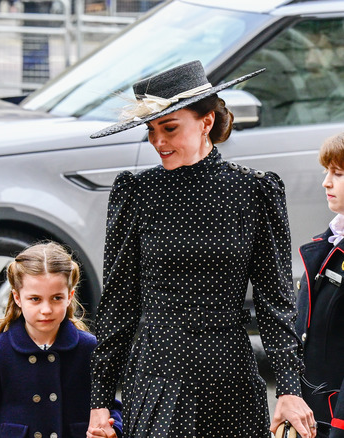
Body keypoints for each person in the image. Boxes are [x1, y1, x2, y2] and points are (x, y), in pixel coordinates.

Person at [86, 60, 317, 437]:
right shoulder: (136, 193)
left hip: (230, 378)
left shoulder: (255, 192)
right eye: (151, 130)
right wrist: (99, 403)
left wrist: (289, 389)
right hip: (157, 374)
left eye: (170, 127)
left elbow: (275, 300)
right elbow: (118, 303)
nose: (158, 142)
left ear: (206, 122)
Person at [0, 242, 123, 438]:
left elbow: (110, 406)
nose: (46, 310)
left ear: (69, 296)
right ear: (17, 298)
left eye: (56, 298)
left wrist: (112, 430)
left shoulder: (89, 348)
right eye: (35, 299)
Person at [296, 133, 344, 438]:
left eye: (338, 174)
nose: (326, 182)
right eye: (326, 172)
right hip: (317, 415)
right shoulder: (328, 243)